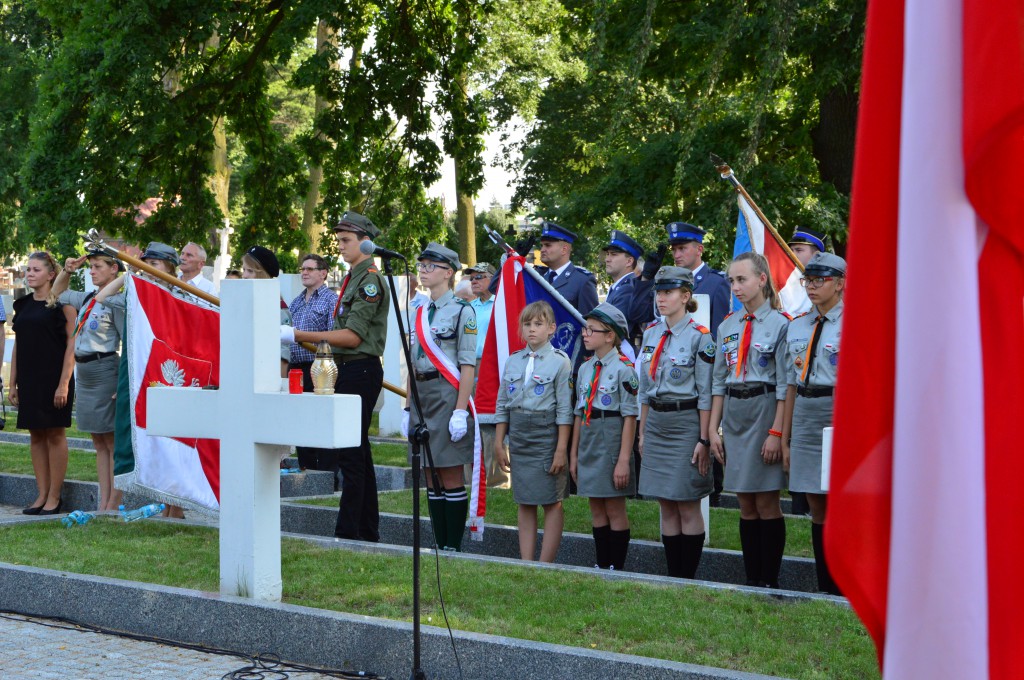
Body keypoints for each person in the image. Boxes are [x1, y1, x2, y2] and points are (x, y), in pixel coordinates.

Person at [284, 211, 389, 542]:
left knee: (350, 455)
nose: (340, 246)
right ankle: (365, 531)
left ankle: (349, 532)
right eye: (339, 240)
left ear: (365, 242)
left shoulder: (369, 279)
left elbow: (353, 336)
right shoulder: (353, 278)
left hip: (359, 369)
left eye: (346, 240)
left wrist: (296, 333)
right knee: (357, 454)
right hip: (348, 368)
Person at [709, 252, 790, 588]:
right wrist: (714, 428)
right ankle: (752, 578)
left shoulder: (781, 324)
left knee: (766, 499)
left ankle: (768, 579)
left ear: (762, 279)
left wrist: (777, 432)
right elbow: (718, 380)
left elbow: (786, 384)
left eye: (741, 279)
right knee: (744, 499)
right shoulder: (728, 325)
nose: (735, 286)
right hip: (736, 412)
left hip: (765, 408)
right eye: (731, 280)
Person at [635, 267, 717, 578]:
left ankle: (689, 577)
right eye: (659, 292)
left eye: (668, 292)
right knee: (665, 502)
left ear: (685, 296)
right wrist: (642, 432)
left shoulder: (700, 337)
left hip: (686, 423)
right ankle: (674, 576)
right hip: (656, 422)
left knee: (686, 501)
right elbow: (644, 388)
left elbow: (706, 393)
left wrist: (704, 438)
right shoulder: (653, 333)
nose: (661, 298)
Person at [404, 242, 477, 551]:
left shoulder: (463, 311)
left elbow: (467, 364)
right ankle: (438, 543)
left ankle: (452, 545)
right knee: (429, 473)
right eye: (421, 265)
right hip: (421, 394)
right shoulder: (417, 310)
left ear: (448, 272)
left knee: (448, 470)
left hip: (447, 394)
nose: (423, 270)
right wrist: (408, 405)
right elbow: (411, 360)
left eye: (430, 266)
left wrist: (460, 411)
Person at [782, 252, 846, 595]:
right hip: (807, 408)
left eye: (820, 281)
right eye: (808, 280)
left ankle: (845, 583)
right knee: (815, 500)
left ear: (840, 283)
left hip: (840, 410)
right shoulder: (797, 325)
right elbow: (790, 384)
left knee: (841, 500)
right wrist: (786, 436)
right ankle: (825, 583)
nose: (812, 287)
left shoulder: (856, 321)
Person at [494, 301, 573, 562]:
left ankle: (545, 563)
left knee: (552, 500)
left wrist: (561, 450)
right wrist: (498, 442)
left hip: (546, 435)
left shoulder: (560, 362)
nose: (531, 330)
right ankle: (526, 561)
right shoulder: (513, 361)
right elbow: (503, 403)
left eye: (538, 324)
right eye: (526, 324)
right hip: (519, 436)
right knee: (524, 500)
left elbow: (564, 410)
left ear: (551, 328)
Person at [54, 251, 126, 511]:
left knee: (112, 441)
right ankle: (103, 502)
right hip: (84, 373)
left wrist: (122, 384)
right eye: (91, 267)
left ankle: (113, 504)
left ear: (113, 269)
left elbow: (126, 343)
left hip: (105, 369)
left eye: (98, 267)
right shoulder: (87, 298)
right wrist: (67, 270)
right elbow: (58, 294)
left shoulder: (116, 301)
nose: (92, 271)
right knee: (98, 441)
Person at [570, 302, 638, 571]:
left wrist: (623, 460)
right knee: (596, 506)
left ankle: (616, 567)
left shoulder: (624, 369)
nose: (585, 334)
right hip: (589, 438)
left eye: (591, 329)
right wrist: (574, 455)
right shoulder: (586, 368)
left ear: (610, 336)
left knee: (614, 507)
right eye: (585, 329)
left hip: (611, 437)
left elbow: (630, 417)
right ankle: (602, 562)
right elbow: (579, 413)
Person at [9, 252, 76, 515]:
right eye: (28, 269)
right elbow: (18, 346)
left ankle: (55, 497)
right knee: (36, 435)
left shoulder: (63, 304)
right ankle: (41, 494)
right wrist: (12, 383)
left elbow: (72, 345)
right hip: (29, 378)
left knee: (55, 434)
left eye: (36, 270)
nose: (29, 273)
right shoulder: (23, 304)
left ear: (51, 275)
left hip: (53, 377)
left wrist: (64, 384)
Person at [287, 254, 340, 471]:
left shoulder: (330, 300)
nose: (304, 272)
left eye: (309, 269)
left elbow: (331, 336)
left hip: (318, 369)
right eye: (303, 269)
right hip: (296, 368)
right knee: (300, 421)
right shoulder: (296, 301)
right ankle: (306, 469)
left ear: (323, 273)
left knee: (321, 421)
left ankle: (326, 474)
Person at [462, 262, 508, 489]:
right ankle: (471, 479)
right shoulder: (470, 307)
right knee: (468, 422)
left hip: (493, 367)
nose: (474, 281)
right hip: (469, 366)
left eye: (480, 276)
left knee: (491, 421)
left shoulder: (500, 305)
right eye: (471, 278)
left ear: (493, 278)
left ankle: (497, 479)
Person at [241, 245, 290, 376]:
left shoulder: (278, 307)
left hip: (264, 375)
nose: (244, 276)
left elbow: (283, 352)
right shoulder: (242, 303)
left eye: (250, 271)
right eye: (244, 270)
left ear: (262, 274)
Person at [537, 221, 598, 316]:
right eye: (542, 245)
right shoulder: (537, 276)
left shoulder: (582, 280)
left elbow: (589, 324)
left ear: (564, 249)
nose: (542, 250)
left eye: (548, 245)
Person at [601, 230, 642, 338]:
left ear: (629, 261)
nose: (607, 259)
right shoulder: (619, 287)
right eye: (607, 254)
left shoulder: (628, 289)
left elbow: (611, 331)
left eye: (613, 255)